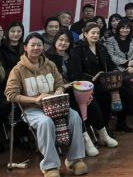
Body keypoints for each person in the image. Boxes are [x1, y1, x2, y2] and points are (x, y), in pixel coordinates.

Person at [5, 33, 87, 177]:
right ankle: (50, 166)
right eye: (33, 45)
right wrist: (34, 99)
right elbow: (10, 95)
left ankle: (74, 159)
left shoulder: (50, 65)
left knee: (75, 116)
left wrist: (59, 90)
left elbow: (59, 83)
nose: (36, 48)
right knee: (45, 122)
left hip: (54, 105)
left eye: (39, 45)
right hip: (31, 109)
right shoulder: (18, 70)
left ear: (43, 47)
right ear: (25, 47)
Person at [45, 29, 113, 158]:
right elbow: (48, 80)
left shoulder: (73, 55)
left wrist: (85, 89)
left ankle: (103, 133)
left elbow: (80, 75)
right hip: (59, 92)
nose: (63, 43)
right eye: (60, 40)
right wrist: (64, 86)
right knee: (75, 105)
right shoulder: (47, 57)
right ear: (55, 41)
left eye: (67, 41)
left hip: (76, 88)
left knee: (91, 100)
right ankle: (85, 140)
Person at [71, 22, 133, 134]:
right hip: (90, 83)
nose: (95, 35)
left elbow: (110, 64)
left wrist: (115, 71)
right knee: (104, 94)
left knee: (124, 89)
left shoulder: (101, 47)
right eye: (93, 33)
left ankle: (121, 122)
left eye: (98, 33)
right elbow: (78, 72)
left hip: (105, 79)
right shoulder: (78, 49)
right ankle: (103, 127)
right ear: (85, 34)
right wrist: (93, 78)